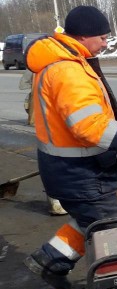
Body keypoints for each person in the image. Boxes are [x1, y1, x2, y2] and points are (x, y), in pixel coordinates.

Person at [23, 5, 117, 289]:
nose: (105, 43)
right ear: (84, 36)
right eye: (102, 37)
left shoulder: (63, 63)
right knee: (109, 229)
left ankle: (49, 260)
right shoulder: (68, 70)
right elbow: (88, 124)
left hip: (67, 168)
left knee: (87, 222)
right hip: (81, 173)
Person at [19, 68, 68, 216]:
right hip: (52, 123)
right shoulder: (48, 67)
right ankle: (56, 201)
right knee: (55, 159)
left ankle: (57, 200)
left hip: (51, 123)